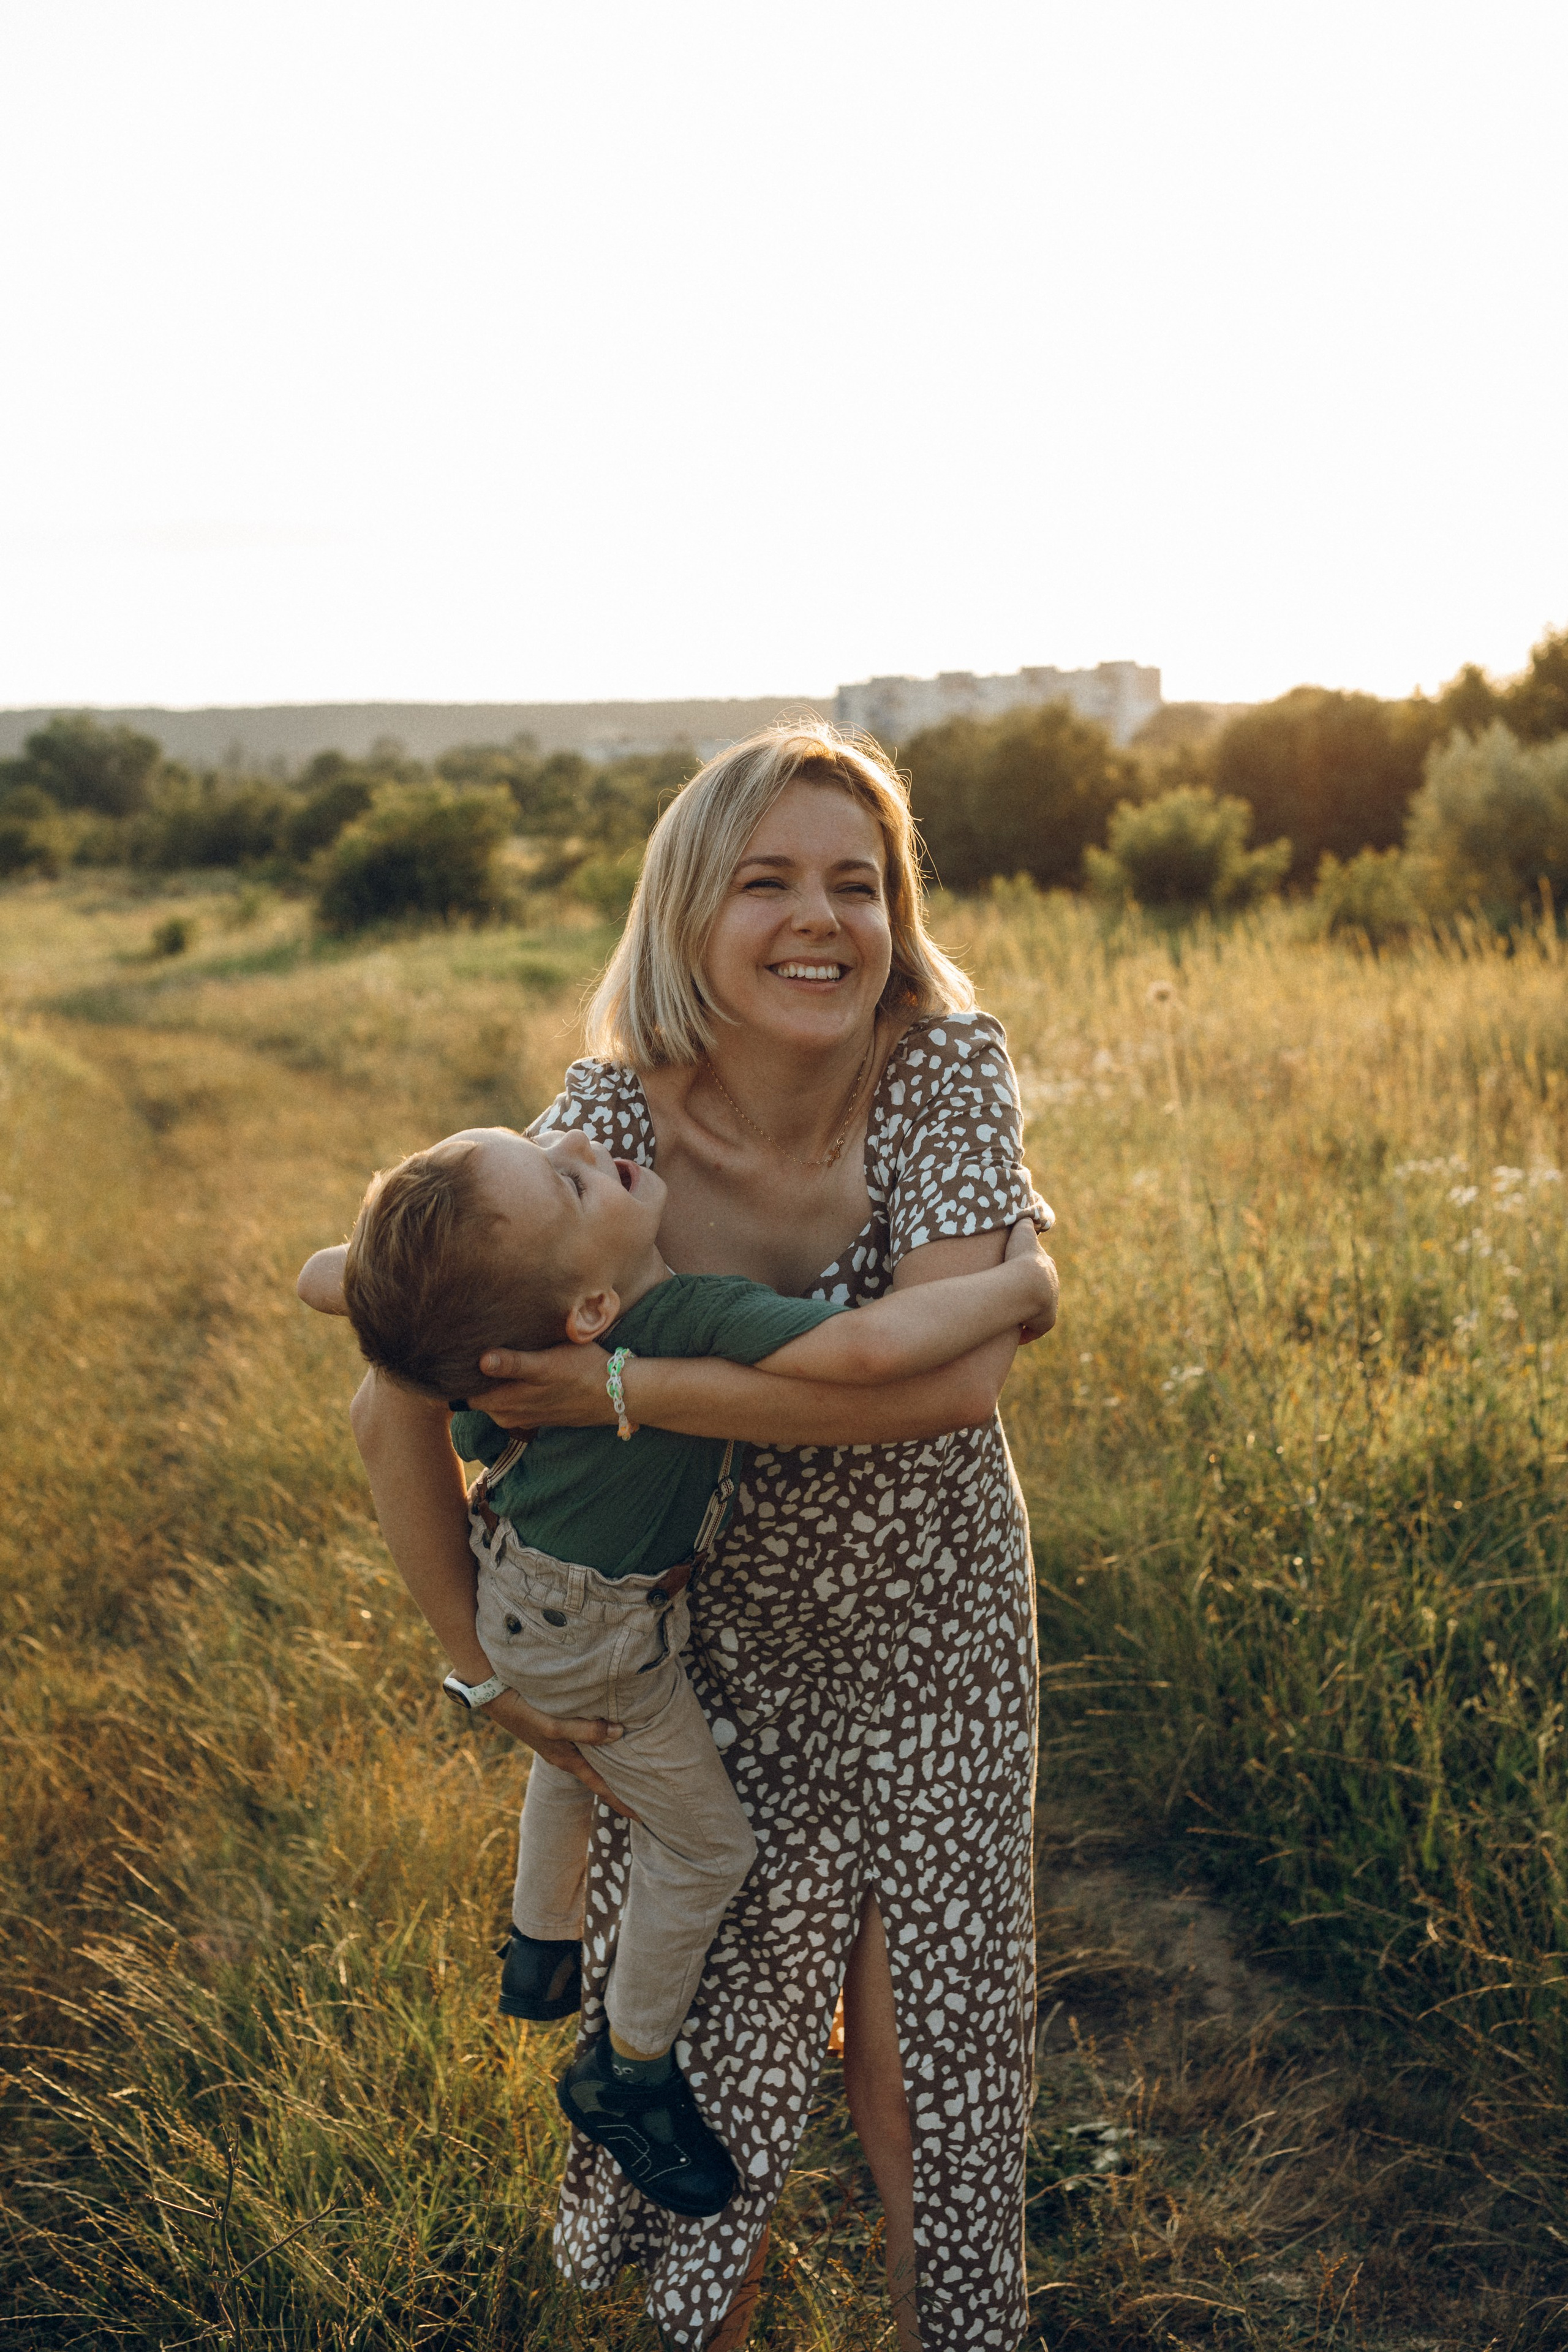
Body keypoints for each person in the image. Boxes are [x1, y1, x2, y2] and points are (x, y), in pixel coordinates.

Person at [347, 724, 1057, 2352]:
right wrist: (480, 1674)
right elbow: (396, 1398)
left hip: (936, 1629)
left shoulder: (946, 1064)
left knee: (929, 2059)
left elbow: (958, 1388)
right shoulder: (605, 1126)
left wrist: (629, 1386)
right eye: (769, 881)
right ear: (686, 913)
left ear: (898, 916)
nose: (822, 918)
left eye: (857, 884)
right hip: (696, 1649)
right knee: (723, 2054)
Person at [300, 1123, 1054, 2224]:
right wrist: (1024, 1280)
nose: (576, 1134)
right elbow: (868, 1354)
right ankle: (629, 2067)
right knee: (706, 1845)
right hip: (604, 1637)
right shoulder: (687, 1315)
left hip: (513, 1592)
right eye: (561, 1174)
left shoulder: (493, 1320)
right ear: (591, 1314)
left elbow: (323, 1278)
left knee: (569, 1749)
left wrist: (375, 1281)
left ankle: (538, 1947)